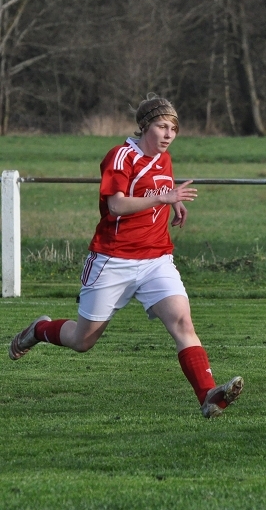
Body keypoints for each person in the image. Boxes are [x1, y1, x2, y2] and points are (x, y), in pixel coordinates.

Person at [8, 94, 243, 419]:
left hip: (156, 260)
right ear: (146, 125)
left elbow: (161, 185)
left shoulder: (165, 158)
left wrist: (174, 201)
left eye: (173, 128)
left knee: (182, 323)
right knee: (82, 341)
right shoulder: (120, 157)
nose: (168, 134)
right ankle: (39, 330)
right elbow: (116, 204)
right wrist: (165, 197)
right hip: (112, 260)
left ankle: (208, 396)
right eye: (162, 126)